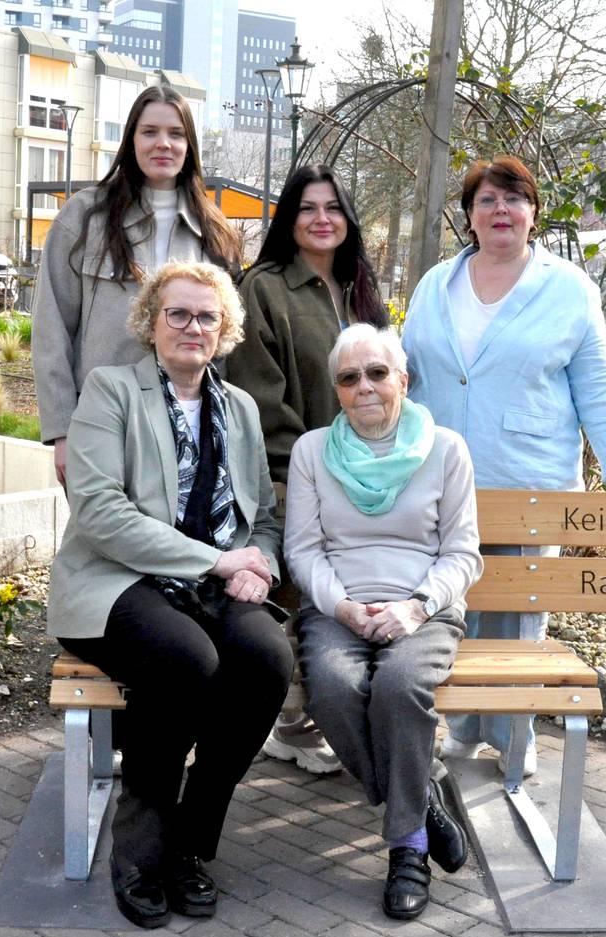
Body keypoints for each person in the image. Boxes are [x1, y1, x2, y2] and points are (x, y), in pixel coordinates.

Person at [48, 261, 293, 929]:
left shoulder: (238, 409)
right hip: (116, 581)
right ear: (151, 324)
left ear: (224, 330)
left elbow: (262, 520)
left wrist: (258, 568)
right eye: (177, 314)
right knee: (187, 660)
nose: (192, 326)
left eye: (206, 316)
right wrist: (217, 560)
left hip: (211, 587)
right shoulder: (111, 390)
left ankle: (189, 841)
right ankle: (139, 848)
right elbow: (99, 512)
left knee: (268, 663)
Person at [402, 154, 606, 778]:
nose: (501, 210)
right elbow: (410, 372)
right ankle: (461, 726)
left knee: (518, 609)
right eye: (487, 200)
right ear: (470, 215)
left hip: (529, 474)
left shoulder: (567, 288)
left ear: (533, 213)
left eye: (513, 199)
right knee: (457, 602)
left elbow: (596, 381)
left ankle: (514, 734)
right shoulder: (436, 283)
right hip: (443, 476)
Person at [284, 324, 483, 920]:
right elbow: (303, 549)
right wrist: (341, 605)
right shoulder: (312, 451)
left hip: (424, 607)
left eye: (377, 373)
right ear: (337, 390)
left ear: (404, 379)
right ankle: (423, 802)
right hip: (337, 607)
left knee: (399, 689)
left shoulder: (447, 449)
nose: (364, 387)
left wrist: (416, 606)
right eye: (349, 378)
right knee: (336, 693)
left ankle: (409, 849)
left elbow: (463, 552)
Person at [225, 164, 388, 774]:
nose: (322, 219)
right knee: (298, 594)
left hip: (366, 474)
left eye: (333, 207)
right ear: (288, 221)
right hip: (290, 473)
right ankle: (292, 723)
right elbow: (261, 400)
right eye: (307, 209)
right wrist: (325, 464)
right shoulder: (264, 288)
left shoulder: (361, 291)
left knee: (359, 587)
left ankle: (343, 711)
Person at [32, 84, 240, 488]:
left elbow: (223, 343)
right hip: (101, 421)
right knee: (102, 542)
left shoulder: (214, 232)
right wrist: (61, 430)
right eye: (149, 132)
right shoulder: (85, 217)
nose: (163, 143)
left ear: (189, 145)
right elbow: (51, 326)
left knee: (174, 546)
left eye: (176, 134)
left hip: (185, 426)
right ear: (131, 140)